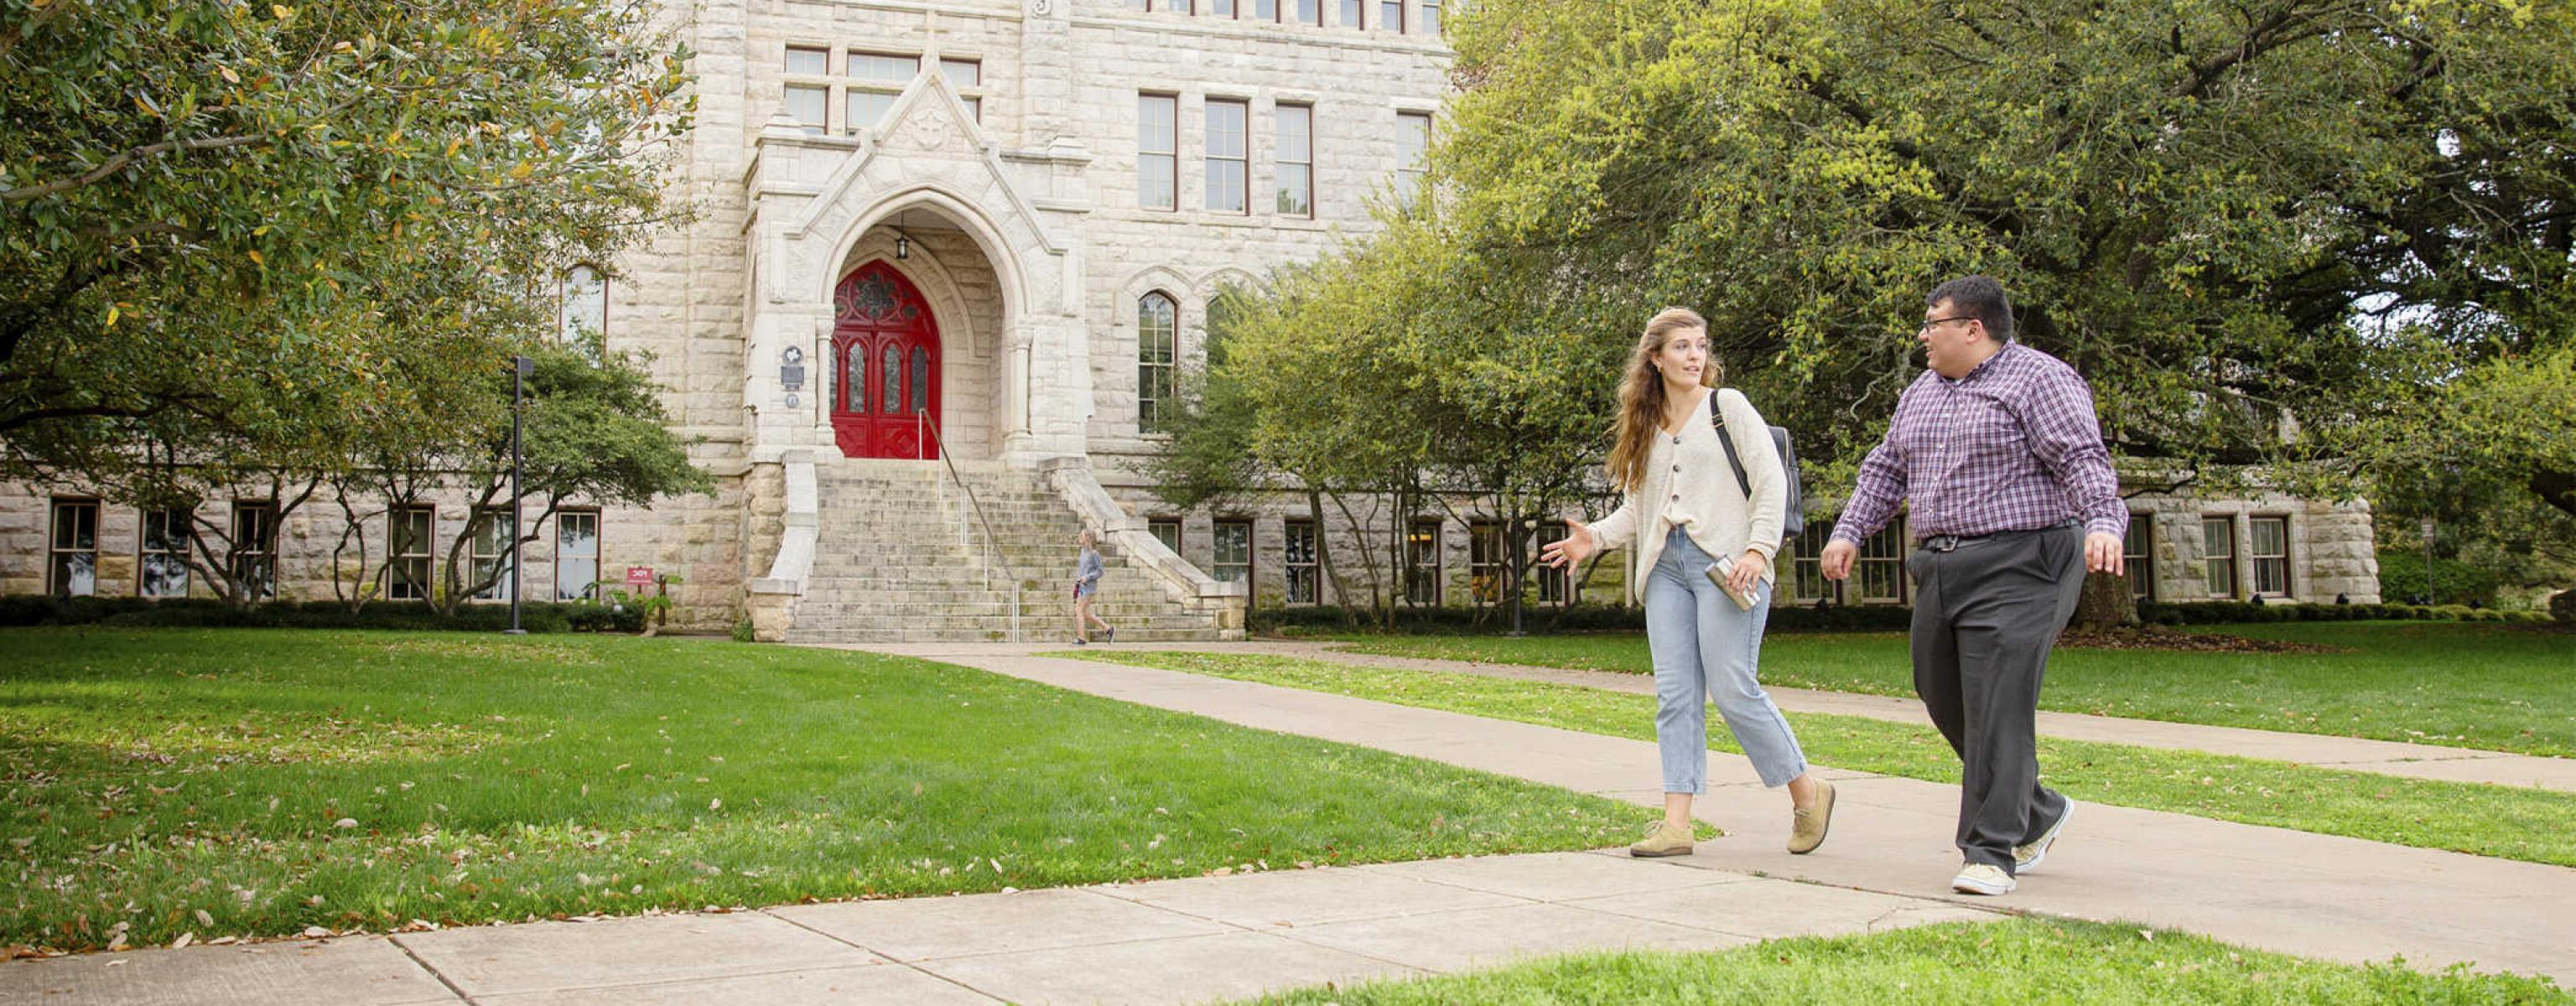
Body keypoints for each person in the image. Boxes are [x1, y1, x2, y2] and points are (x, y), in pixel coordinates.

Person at [1818, 276, 2126, 896]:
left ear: (1973, 328)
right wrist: (1849, 530)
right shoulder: (1921, 393)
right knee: (1940, 693)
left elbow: (2081, 458)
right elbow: (1886, 467)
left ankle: (1990, 852)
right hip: (1942, 565)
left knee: (1997, 706)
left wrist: (2103, 521)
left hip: (2026, 561)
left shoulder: (2041, 379)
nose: (1923, 337)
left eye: (1932, 325)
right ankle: (2037, 809)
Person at [1543, 307, 1836, 858]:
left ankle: (1807, 792)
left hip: (1728, 567)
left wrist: (1758, 549)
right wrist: (1594, 539)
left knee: (1732, 688)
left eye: (1700, 346)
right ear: (1655, 358)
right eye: (1681, 347)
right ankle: (1676, 825)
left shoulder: (1728, 408)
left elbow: (1770, 485)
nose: (1695, 356)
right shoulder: (1648, 425)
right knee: (1675, 696)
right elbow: (1640, 509)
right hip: (1667, 571)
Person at [1071, 529, 1114, 645]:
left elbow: (1100, 571)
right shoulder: (1082, 551)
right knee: (1086, 614)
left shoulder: (1094, 554)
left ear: (1088, 538)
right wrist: (1078, 581)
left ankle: (1081, 638)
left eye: (1082, 535)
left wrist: (1087, 577)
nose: (1079, 537)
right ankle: (1108, 629)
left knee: (1078, 610)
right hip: (1081, 586)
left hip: (1088, 587)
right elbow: (1082, 569)